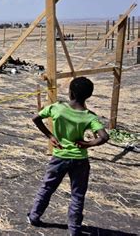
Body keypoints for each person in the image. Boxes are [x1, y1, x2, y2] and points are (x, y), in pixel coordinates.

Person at [27, 77, 109, 236]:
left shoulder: (57, 108)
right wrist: (88, 144)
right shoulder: (90, 116)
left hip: (59, 157)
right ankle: (74, 229)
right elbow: (104, 137)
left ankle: (34, 216)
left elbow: (36, 118)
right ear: (88, 96)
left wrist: (50, 136)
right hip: (80, 160)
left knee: (47, 188)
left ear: (70, 92)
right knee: (77, 195)